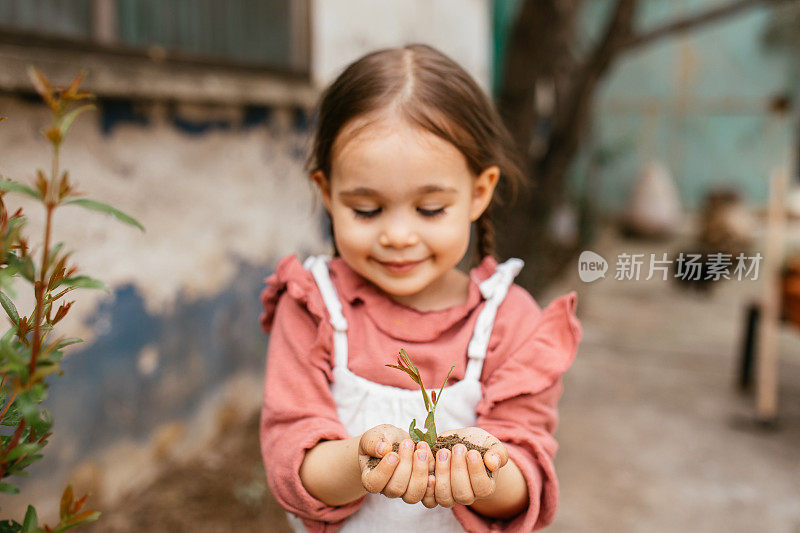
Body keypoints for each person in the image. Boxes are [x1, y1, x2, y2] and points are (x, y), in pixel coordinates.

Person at [258, 44, 582, 533]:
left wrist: (485, 473)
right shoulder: (311, 307)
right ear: (327, 193)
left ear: (478, 192)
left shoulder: (510, 321)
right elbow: (290, 455)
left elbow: (529, 473)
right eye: (366, 210)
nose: (398, 236)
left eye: (430, 209)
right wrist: (360, 464)